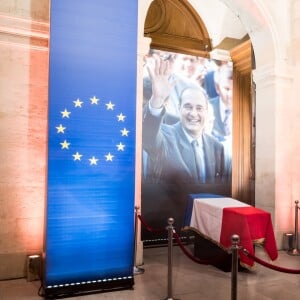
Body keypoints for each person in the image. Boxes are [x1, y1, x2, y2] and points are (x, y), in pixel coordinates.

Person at [142, 54, 227, 184]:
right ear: (178, 108)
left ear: (207, 111)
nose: (193, 114)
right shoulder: (166, 136)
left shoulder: (217, 147)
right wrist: (157, 99)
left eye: (199, 108)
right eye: (188, 107)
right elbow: (148, 137)